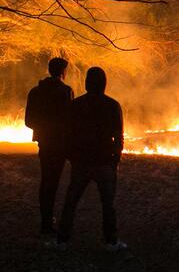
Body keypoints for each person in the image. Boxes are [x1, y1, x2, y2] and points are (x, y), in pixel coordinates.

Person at [53, 67, 126, 251]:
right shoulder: (112, 105)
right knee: (108, 204)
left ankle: (62, 240)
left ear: (86, 83)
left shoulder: (76, 105)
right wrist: (115, 158)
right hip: (104, 161)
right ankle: (111, 241)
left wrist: (71, 155)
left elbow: (67, 134)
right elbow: (118, 136)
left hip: (81, 161)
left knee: (71, 201)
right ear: (104, 84)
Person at [25, 57, 74, 235]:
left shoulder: (35, 92)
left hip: (44, 142)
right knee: (54, 181)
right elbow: (71, 121)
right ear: (62, 72)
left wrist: (43, 128)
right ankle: (51, 222)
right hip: (60, 144)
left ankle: (45, 220)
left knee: (46, 180)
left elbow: (28, 121)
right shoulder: (66, 91)